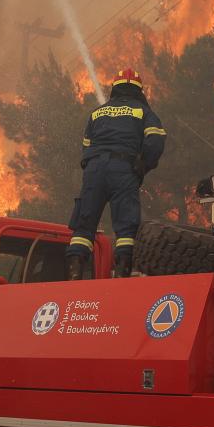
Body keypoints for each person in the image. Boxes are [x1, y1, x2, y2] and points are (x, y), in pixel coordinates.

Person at [66, 68, 166, 279]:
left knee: (86, 218)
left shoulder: (97, 112)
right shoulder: (142, 112)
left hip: (94, 169)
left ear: (115, 89)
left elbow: (86, 145)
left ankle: (75, 269)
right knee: (125, 222)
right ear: (139, 91)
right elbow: (156, 140)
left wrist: (93, 168)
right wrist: (144, 164)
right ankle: (122, 271)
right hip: (123, 168)